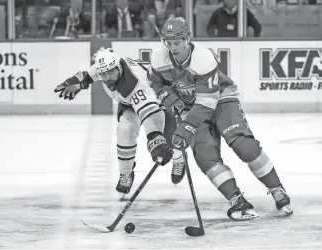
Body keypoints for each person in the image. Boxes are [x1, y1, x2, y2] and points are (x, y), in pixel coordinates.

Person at [149, 16, 293, 221]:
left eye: (177, 41)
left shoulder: (203, 58)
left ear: (188, 38)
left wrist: (188, 125)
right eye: (168, 42)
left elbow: (208, 101)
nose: (172, 47)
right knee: (204, 155)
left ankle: (276, 188)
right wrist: (164, 93)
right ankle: (236, 198)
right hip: (191, 107)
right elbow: (155, 81)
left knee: (243, 144)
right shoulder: (158, 58)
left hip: (221, 100)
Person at [53, 48, 186, 197]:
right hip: (130, 103)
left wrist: (155, 141)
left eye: (111, 72)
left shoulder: (134, 85)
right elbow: (90, 74)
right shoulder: (107, 66)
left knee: (169, 141)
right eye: (103, 74)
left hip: (157, 101)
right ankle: (126, 173)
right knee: (125, 130)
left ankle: (179, 159)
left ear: (119, 69)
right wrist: (78, 82)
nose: (108, 77)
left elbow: (149, 116)